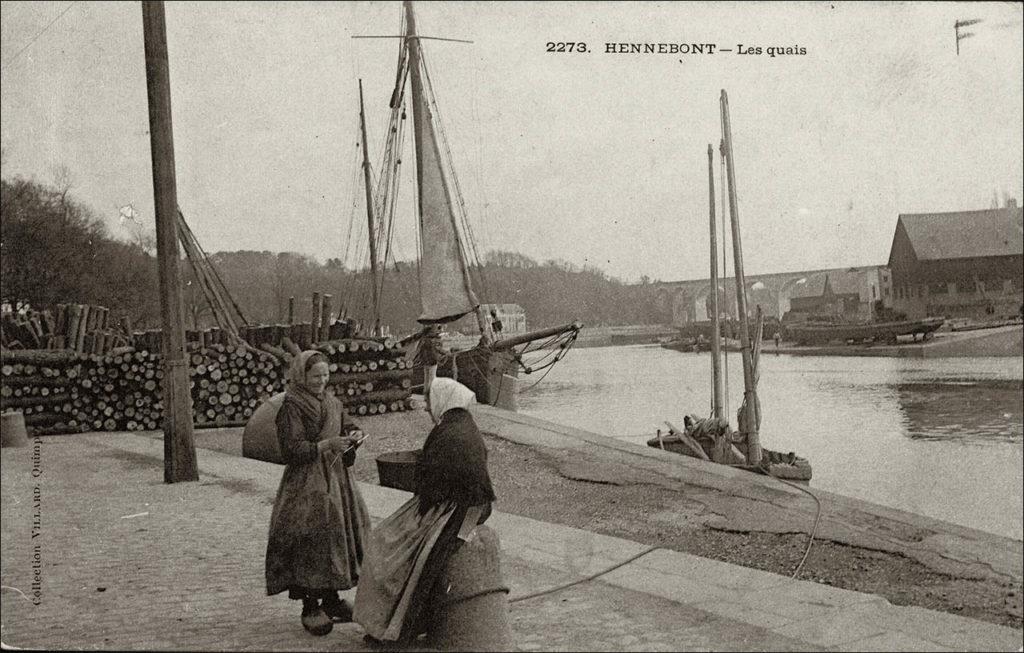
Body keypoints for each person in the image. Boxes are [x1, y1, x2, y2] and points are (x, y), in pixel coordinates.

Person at [353, 377, 496, 645]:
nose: (429, 408)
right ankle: (396, 623)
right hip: (469, 504)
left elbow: (430, 483)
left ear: (442, 402)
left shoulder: (448, 432)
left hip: (456, 509)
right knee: (404, 546)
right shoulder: (463, 426)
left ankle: (397, 631)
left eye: (430, 402)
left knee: (398, 551)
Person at [265, 350, 371, 636]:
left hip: (336, 479)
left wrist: (355, 434)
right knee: (311, 537)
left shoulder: (332, 401)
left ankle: (332, 599)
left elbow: (346, 424)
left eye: (325, 375)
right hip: (306, 483)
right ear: (301, 376)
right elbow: (291, 449)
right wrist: (326, 445)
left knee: (339, 535)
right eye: (315, 376)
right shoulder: (292, 405)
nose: (321, 381)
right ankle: (310, 605)